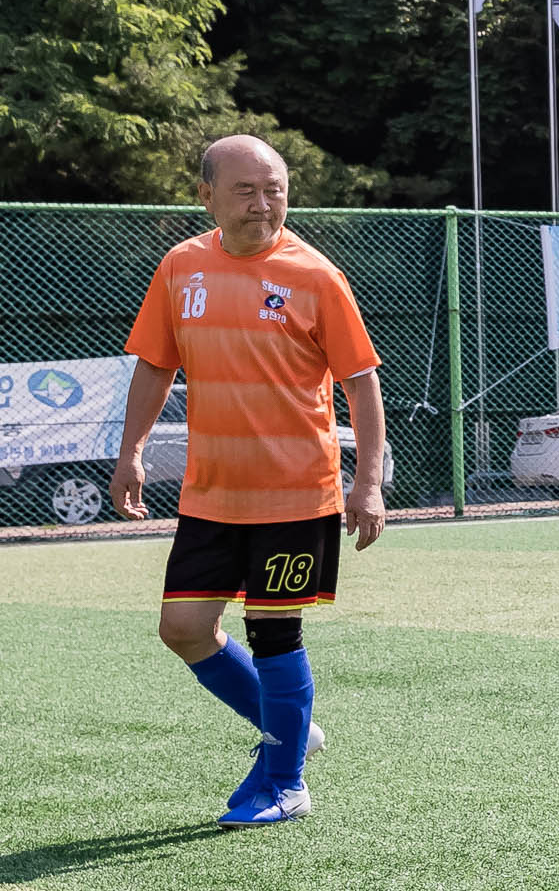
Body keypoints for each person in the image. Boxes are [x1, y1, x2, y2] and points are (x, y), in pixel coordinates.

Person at [112, 135, 389, 828]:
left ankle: (287, 780)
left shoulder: (316, 275)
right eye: (246, 190)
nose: (264, 204)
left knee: (273, 630)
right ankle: (289, 723)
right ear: (205, 195)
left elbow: (361, 381)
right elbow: (154, 365)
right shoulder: (181, 267)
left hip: (297, 492)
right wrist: (131, 451)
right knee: (182, 627)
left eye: (276, 189)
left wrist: (369, 483)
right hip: (210, 494)